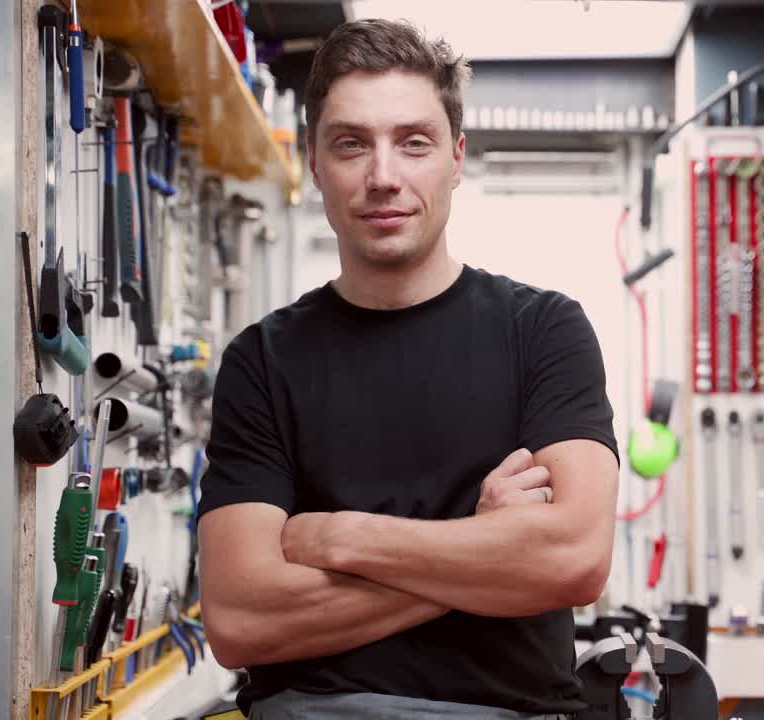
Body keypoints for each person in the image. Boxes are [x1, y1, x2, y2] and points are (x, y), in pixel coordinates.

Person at [195, 18, 620, 720]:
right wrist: (488, 547)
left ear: (456, 157)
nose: (383, 177)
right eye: (352, 144)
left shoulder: (545, 331)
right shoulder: (262, 361)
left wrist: (340, 538)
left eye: (413, 143)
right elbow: (240, 621)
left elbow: (574, 561)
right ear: (314, 161)